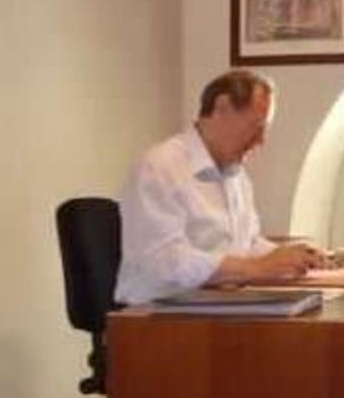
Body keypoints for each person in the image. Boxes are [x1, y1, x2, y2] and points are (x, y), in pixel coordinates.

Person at [115, 69, 325, 304]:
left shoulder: (236, 176)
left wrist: (286, 256)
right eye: (256, 127)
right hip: (157, 313)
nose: (261, 140)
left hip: (214, 305)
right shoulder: (160, 167)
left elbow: (244, 245)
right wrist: (258, 268)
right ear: (222, 108)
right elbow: (164, 263)